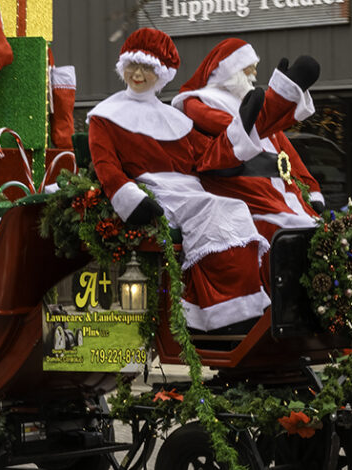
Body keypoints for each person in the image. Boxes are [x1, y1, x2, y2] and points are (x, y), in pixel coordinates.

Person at [87, 28, 270, 333]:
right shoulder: (106, 115)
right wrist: (130, 199)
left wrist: (241, 129)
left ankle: (240, 305)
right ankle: (219, 313)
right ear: (122, 68)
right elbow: (107, 165)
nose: (138, 74)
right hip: (154, 191)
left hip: (189, 190)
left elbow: (208, 153)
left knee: (235, 208)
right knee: (213, 210)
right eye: (133, 65)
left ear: (162, 73)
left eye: (147, 67)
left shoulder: (175, 118)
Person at [171, 38, 324, 291]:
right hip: (236, 191)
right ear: (228, 69)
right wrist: (279, 98)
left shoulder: (250, 104)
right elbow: (233, 131)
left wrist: (311, 189)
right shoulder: (199, 102)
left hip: (275, 192)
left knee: (316, 228)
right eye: (248, 68)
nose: (254, 74)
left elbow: (287, 153)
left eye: (255, 67)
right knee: (283, 231)